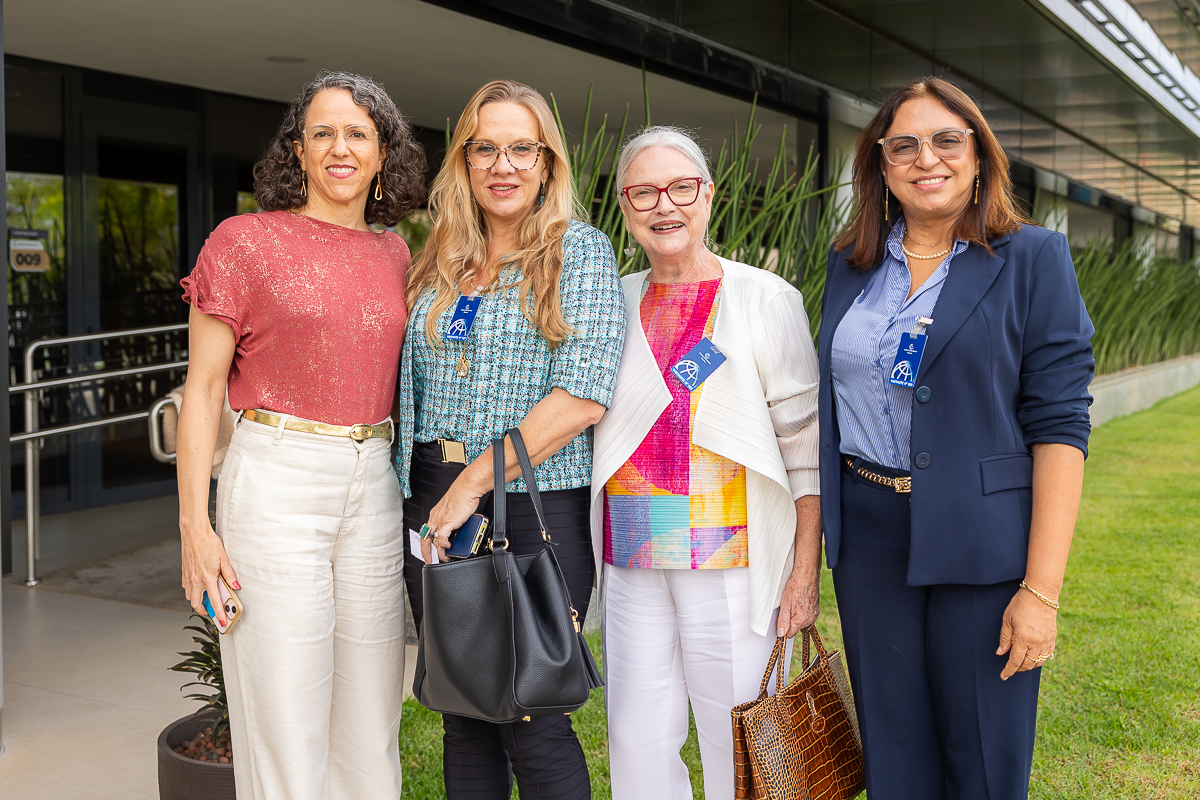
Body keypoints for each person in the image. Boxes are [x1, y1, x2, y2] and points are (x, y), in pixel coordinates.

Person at [818, 77, 1095, 800]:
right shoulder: (849, 265)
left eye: (947, 140)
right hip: (871, 539)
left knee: (982, 756)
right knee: (894, 753)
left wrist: (1041, 590)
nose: (926, 159)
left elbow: (1061, 426)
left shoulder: (1033, 259)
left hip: (983, 543)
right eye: (903, 145)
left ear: (978, 155)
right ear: (881, 165)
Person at [176, 71, 426, 800]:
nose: (340, 148)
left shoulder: (396, 256)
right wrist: (195, 525)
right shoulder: (243, 242)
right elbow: (201, 392)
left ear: (383, 155)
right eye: (323, 133)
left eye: (358, 133)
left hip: (374, 480)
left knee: (371, 711)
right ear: (298, 150)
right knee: (284, 710)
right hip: (277, 475)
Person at [395, 79, 625, 800]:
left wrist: (471, 486)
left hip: (530, 502)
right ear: (463, 162)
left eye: (522, 148)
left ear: (548, 162)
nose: (504, 164)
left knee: (531, 713)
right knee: (462, 708)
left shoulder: (578, 253)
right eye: (485, 148)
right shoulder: (441, 257)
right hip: (432, 499)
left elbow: (583, 394)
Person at [591, 126, 823, 799]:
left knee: (739, 737)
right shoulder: (616, 297)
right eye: (644, 192)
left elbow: (803, 452)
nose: (665, 206)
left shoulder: (764, 298)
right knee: (636, 738)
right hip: (632, 553)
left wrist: (802, 572)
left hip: (733, 555)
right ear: (626, 205)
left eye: (681, 188)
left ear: (708, 195)